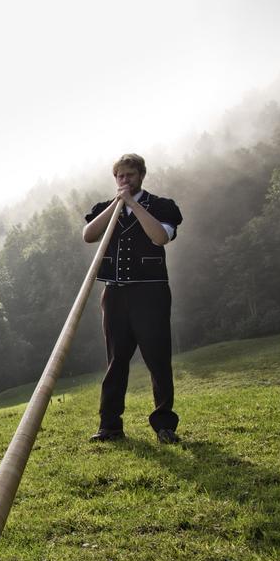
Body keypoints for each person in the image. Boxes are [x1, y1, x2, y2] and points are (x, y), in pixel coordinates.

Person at [82, 153, 183, 444]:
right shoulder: (105, 208)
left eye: (129, 175)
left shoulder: (162, 207)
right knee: (116, 360)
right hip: (114, 293)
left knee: (158, 359)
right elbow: (89, 235)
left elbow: (160, 238)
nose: (124, 181)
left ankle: (165, 425)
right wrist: (117, 205)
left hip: (150, 293)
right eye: (119, 176)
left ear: (141, 176)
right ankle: (110, 426)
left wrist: (133, 204)